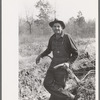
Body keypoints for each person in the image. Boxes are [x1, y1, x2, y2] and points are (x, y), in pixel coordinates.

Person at [36, 19, 79, 100]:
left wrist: (68, 63)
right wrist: (40, 55)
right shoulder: (52, 38)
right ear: (52, 28)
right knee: (47, 83)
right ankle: (71, 97)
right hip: (54, 64)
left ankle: (70, 97)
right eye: (54, 27)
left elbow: (75, 53)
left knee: (59, 87)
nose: (56, 28)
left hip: (63, 66)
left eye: (58, 26)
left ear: (62, 27)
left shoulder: (67, 37)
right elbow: (48, 50)